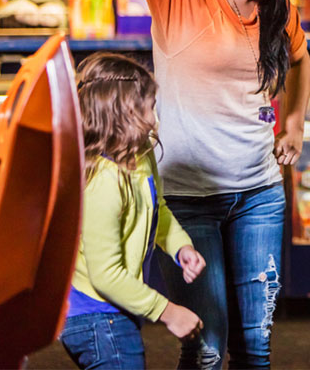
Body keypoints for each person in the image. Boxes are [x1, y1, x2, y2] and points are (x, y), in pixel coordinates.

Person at [105, 0, 310, 369]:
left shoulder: (279, 7)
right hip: (186, 198)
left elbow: (300, 60)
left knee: (256, 348)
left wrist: (293, 121)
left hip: (259, 194)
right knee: (208, 346)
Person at [60, 52, 206, 370]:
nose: (155, 118)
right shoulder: (101, 181)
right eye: (149, 108)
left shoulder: (140, 154)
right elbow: (106, 275)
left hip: (114, 312)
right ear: (124, 113)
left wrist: (181, 246)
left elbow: (159, 208)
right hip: (96, 317)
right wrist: (169, 312)